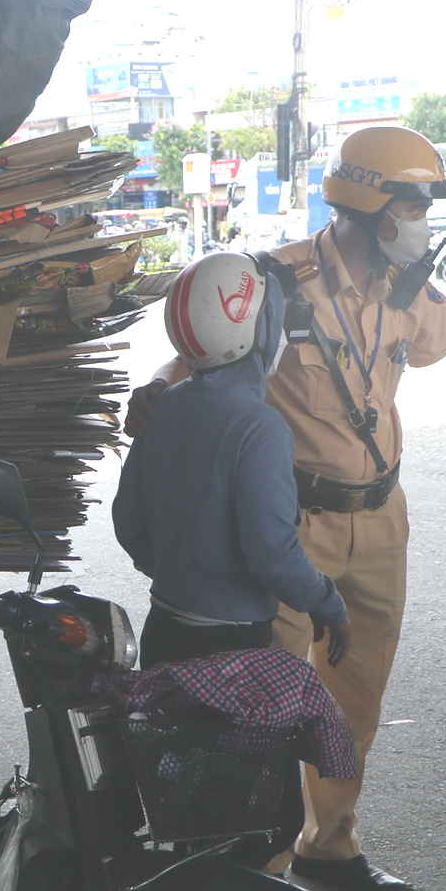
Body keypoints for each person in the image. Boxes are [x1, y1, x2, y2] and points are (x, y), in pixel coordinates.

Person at [123, 125, 446, 891]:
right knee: (272, 704)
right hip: (289, 527)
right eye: (413, 202)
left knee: (357, 696)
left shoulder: (404, 286)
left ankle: (329, 844)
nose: (424, 218)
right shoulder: (275, 284)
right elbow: (195, 354)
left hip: (379, 519)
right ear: (371, 204)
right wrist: (152, 387)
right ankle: (259, 876)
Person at [113, 251, 349, 669]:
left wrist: (179, 573)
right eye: (273, 318)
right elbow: (273, 553)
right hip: (233, 641)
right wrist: (327, 604)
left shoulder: (164, 406)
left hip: (163, 626)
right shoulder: (261, 427)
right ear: (249, 330)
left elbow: (127, 519)